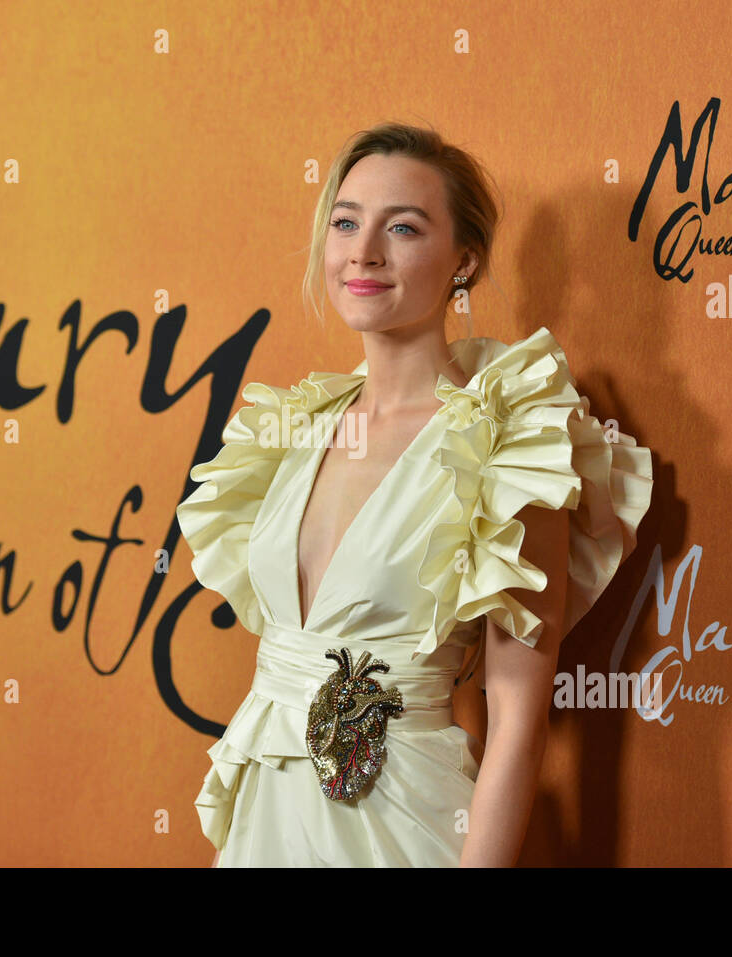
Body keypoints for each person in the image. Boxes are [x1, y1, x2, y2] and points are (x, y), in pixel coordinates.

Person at [175, 121, 654, 866]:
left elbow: (520, 725)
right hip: (266, 824)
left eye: (402, 227)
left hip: (406, 828)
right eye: (345, 221)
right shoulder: (292, 429)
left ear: (464, 260)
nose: (363, 252)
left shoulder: (507, 448)